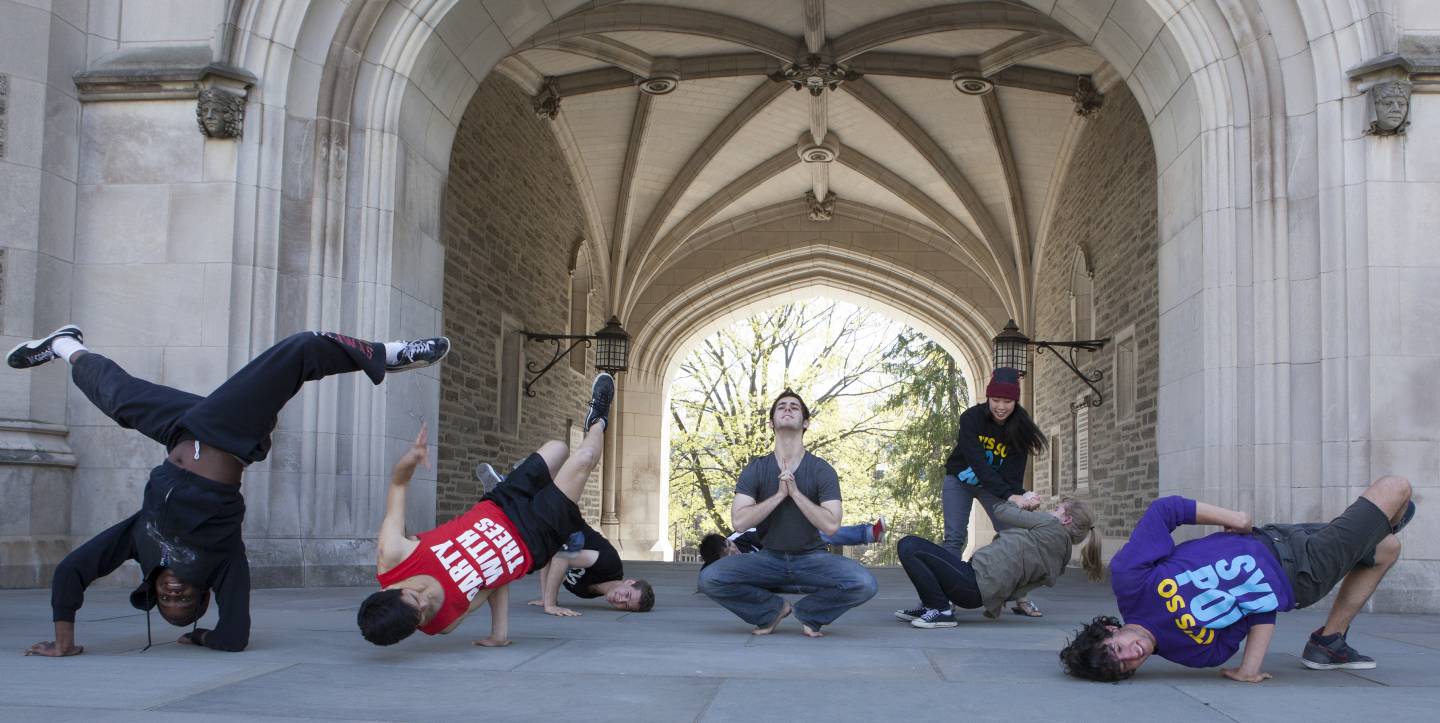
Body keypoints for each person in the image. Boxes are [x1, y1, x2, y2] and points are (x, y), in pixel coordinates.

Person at [11, 325, 450, 656]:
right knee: (299, 350)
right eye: (184, 602)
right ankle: (388, 355)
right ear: (204, 593)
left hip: (178, 431)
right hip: (226, 431)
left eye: (166, 601)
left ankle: (65, 345)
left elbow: (72, 571)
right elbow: (234, 636)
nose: (173, 595)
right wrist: (204, 635)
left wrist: (64, 642)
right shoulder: (223, 562)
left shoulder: (137, 541)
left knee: (116, 396)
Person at [1059, 476, 1417, 683]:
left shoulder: (1129, 581)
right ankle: (1388, 519)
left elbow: (1165, 511)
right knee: (1395, 488)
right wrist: (1250, 668)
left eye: (1118, 650)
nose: (1132, 655)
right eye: (1126, 667)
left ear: (1109, 631)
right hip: (1300, 573)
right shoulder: (1196, 653)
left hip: (1273, 535)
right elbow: (1257, 610)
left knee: (1386, 548)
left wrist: (1235, 518)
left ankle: (1328, 643)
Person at [357, 373, 614, 647]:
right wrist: (499, 633)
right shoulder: (443, 622)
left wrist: (411, 459)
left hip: (499, 503)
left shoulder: (394, 555)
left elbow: (398, 485)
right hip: (531, 540)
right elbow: (492, 581)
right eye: (420, 614)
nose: (424, 600)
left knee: (558, 449)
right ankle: (598, 419)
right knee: (584, 459)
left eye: (414, 596)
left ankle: (532, 486)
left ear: (390, 589)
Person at [697, 389, 878, 638]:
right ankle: (771, 611)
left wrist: (795, 493)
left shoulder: (821, 470)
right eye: (781, 406)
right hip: (767, 558)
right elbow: (739, 522)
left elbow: (832, 526)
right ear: (771, 423)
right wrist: (779, 496)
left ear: (806, 422)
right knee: (709, 579)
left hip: (812, 560)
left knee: (865, 583)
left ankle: (810, 614)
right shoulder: (756, 469)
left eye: (795, 406)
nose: (788, 408)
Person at [892, 498, 1102, 628]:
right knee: (923, 553)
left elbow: (1002, 511)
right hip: (978, 594)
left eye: (1057, 509)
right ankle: (932, 605)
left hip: (972, 580)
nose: (1051, 512)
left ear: (1066, 520)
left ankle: (940, 610)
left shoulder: (1050, 525)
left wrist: (1021, 500)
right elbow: (1022, 587)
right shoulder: (1061, 557)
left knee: (909, 545)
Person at [941, 367, 1047, 617]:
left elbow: (1014, 471)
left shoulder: (1021, 425)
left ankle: (1020, 596)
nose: (1001, 406)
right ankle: (946, 597)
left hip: (995, 487)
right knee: (954, 537)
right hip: (960, 480)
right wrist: (1011, 496)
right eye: (996, 400)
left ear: (1015, 401)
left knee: (1014, 536)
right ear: (988, 397)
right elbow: (977, 462)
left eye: (1007, 401)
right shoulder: (971, 418)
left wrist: (1022, 497)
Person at [527, 521, 655, 616]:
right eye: (627, 594)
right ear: (630, 582)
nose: (620, 600)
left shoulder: (586, 592)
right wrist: (550, 604)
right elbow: (562, 556)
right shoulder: (609, 564)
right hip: (550, 518)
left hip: (539, 533)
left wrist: (545, 598)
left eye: (625, 605)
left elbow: (550, 557)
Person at [698, 514, 888, 569]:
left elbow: (775, 536)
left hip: (786, 547)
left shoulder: (743, 536)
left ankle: (869, 533)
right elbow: (704, 574)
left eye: (731, 547)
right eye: (728, 554)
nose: (734, 552)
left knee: (818, 533)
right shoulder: (716, 567)